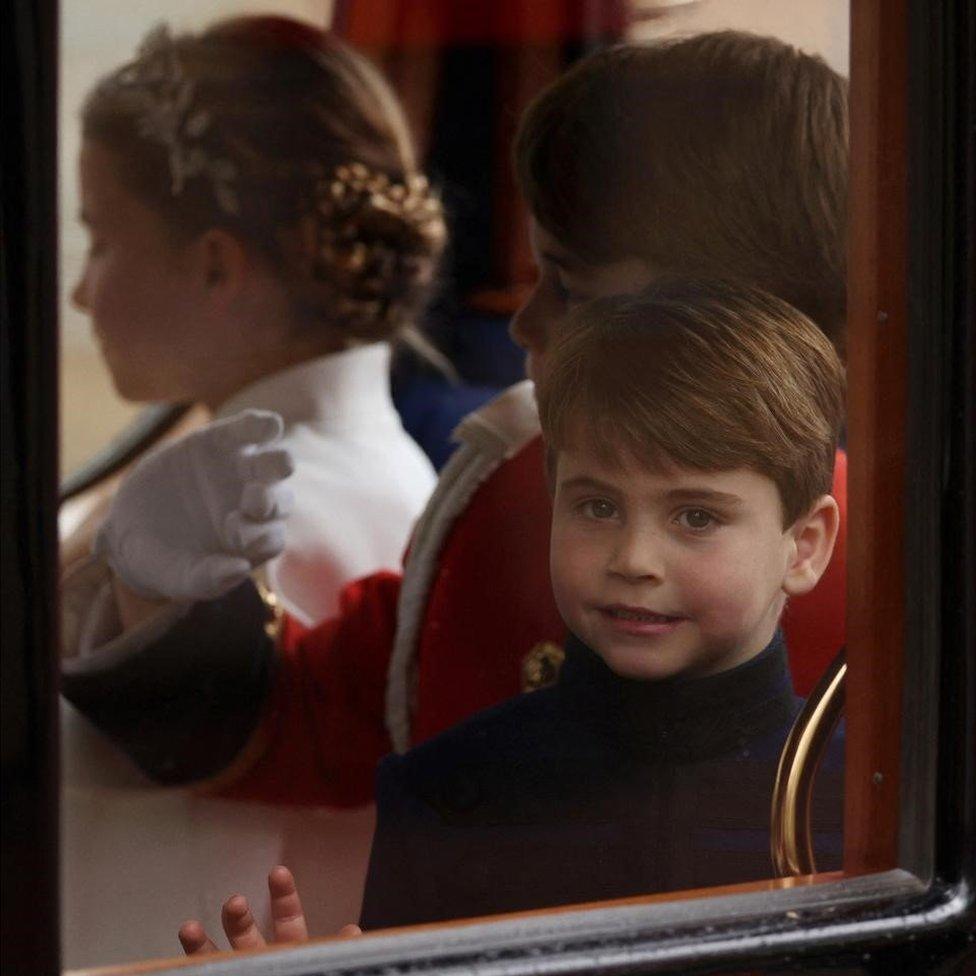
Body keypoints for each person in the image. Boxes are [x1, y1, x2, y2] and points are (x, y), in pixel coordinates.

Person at [61, 30, 849, 946]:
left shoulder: (885, 566)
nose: (523, 319)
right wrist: (159, 585)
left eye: (570, 285)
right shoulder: (513, 491)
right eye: (595, 507)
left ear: (731, 320)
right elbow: (314, 718)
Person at [182, 277, 846, 946]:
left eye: (696, 516)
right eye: (597, 506)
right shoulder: (446, 794)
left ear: (804, 546)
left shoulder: (868, 804)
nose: (634, 558)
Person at [60, 16, 446, 964]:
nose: (80, 293)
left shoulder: (256, 524)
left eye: (100, 239)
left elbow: (147, 883)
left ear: (216, 264)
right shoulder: (376, 473)